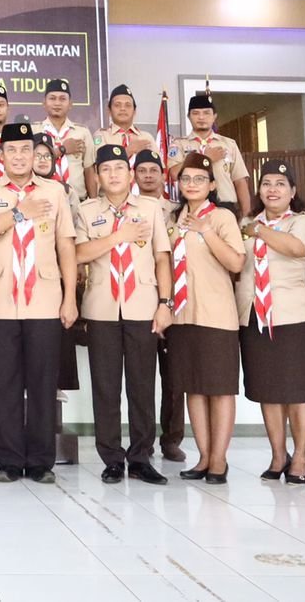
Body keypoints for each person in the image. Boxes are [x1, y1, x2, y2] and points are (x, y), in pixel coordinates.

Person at [0, 123, 78, 484]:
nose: (18, 156)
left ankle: (42, 461)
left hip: (44, 298)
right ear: (1, 154)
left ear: (35, 154)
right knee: (5, 383)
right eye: (11, 150)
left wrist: (70, 297)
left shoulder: (54, 191)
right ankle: (10, 460)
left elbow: (66, 245)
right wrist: (18, 212)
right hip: (0, 300)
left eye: (25, 150)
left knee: (43, 383)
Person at [75, 143, 171, 485]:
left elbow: (162, 258)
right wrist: (119, 236)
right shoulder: (87, 211)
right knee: (105, 386)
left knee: (142, 385)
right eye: (106, 169)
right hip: (102, 307)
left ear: (131, 175)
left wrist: (165, 303)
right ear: (97, 176)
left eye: (119, 168)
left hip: (142, 304)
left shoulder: (151, 208)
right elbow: (79, 254)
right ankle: (112, 458)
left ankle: (141, 456)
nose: (113, 174)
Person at [238, 160, 305, 485]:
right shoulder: (246, 221)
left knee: (298, 389)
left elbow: (297, 248)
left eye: (280, 184)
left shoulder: (302, 221)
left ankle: (300, 457)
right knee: (268, 389)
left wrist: (259, 231)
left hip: (292, 315)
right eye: (266, 183)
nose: (272, 189)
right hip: (253, 313)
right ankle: (277, 455)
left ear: (293, 191)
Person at [165, 153, 245, 484]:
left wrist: (206, 232)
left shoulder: (222, 217)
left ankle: (219, 459)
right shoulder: (173, 218)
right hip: (181, 316)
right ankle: (203, 456)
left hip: (216, 315)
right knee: (193, 389)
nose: (192, 184)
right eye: (186, 179)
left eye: (200, 179)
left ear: (212, 185)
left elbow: (236, 263)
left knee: (220, 389)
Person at [134, 148, 185, 462]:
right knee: (140, 377)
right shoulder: (127, 210)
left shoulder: (178, 211)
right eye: (142, 171)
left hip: (172, 299)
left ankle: (172, 439)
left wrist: (168, 302)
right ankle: (142, 441)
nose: (148, 176)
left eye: (154, 170)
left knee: (173, 377)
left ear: (163, 175)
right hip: (138, 298)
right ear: (134, 176)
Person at [167, 94, 250, 214]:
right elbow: (174, 174)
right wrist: (204, 158)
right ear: (189, 117)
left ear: (214, 116)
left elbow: (240, 180)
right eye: (196, 113)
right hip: (193, 208)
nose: (201, 117)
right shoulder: (179, 144)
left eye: (206, 113)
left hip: (226, 208)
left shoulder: (228, 144)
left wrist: (246, 215)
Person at [35, 79, 96, 202]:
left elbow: (89, 170)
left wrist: (94, 203)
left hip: (78, 202)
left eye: (62, 99)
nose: (57, 103)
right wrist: (62, 149)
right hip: (45, 202)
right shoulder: (34, 131)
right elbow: (28, 167)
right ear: (44, 103)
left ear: (70, 104)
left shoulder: (82, 132)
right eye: (52, 98)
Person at [94, 85, 157, 168]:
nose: (122, 109)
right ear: (109, 111)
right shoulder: (101, 135)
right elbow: (101, 166)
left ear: (134, 111)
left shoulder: (146, 137)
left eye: (128, 105)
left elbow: (159, 169)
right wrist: (129, 150)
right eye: (117, 105)